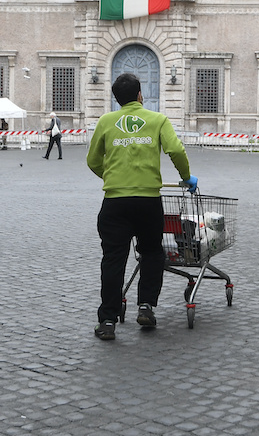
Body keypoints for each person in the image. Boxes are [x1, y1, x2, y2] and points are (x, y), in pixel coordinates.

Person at [86, 72, 198, 340]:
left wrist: (113, 177)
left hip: (115, 202)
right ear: (140, 95)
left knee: (113, 260)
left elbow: (92, 161)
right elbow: (177, 151)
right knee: (151, 253)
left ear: (116, 99)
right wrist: (186, 177)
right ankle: (146, 306)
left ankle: (108, 321)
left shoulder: (105, 121)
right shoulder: (157, 119)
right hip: (148, 201)